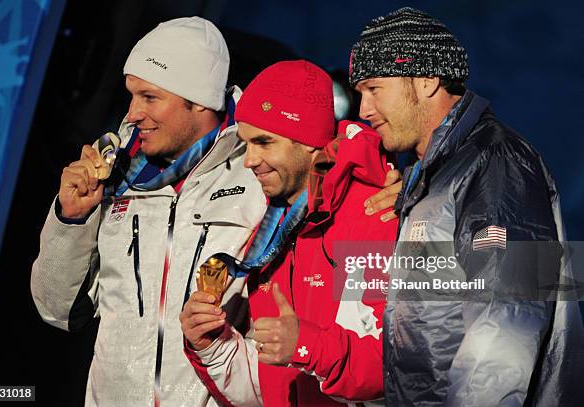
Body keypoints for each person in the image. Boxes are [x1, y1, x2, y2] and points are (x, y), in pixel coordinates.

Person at [350, 7, 584, 406]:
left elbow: (507, 323)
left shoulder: (497, 162)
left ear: (425, 80)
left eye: (374, 89)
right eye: (360, 94)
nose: (364, 109)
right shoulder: (431, 176)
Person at [30, 17, 268, 407]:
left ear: (199, 100)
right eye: (132, 95)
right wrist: (70, 220)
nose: (132, 113)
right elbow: (59, 310)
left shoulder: (260, 169)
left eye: (150, 97)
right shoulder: (114, 174)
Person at [180, 60, 399, 406]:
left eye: (264, 142)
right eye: (246, 144)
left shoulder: (372, 214)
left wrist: (305, 345)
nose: (249, 160)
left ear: (309, 142)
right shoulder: (274, 229)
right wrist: (212, 346)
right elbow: (271, 391)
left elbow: (404, 366)